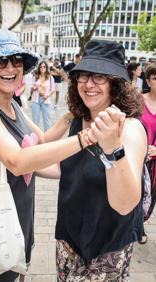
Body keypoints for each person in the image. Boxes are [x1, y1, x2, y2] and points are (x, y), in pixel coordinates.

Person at [0, 29, 122, 282]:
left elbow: (41, 140)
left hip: (21, 218)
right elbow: (17, 161)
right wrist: (86, 138)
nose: (10, 67)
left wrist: (74, 111)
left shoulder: (12, 105)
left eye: (16, 60)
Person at [55, 39, 147, 281]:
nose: (88, 84)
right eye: (83, 76)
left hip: (107, 249)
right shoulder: (79, 118)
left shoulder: (130, 129)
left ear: (115, 84)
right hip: (68, 241)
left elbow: (126, 204)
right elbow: (67, 166)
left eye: (99, 77)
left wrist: (113, 147)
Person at [140, 63, 156, 243]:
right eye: (155, 78)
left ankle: (142, 219)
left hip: (155, 161)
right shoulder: (139, 100)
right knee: (138, 193)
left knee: (151, 196)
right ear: (148, 81)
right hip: (139, 157)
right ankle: (138, 226)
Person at [31, 61, 55, 131]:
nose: (42, 68)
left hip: (46, 100)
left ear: (46, 68)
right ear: (39, 68)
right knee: (35, 120)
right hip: (36, 99)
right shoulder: (35, 77)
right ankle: (36, 137)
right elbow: (32, 88)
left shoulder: (50, 78)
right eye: (41, 66)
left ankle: (47, 137)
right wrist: (35, 87)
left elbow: (53, 89)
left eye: (44, 66)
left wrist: (47, 95)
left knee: (47, 121)